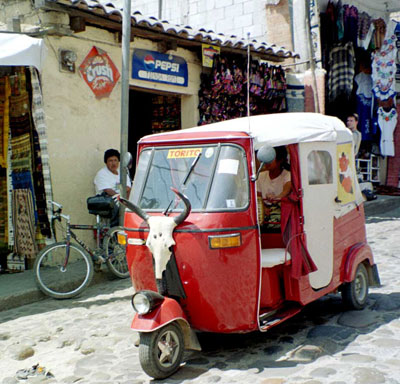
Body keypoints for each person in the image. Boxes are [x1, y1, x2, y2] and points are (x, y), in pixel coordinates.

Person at [256, 146, 291, 231]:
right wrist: (264, 209)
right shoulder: (260, 176)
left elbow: (287, 188)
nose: (266, 162)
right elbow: (258, 197)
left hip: (280, 212)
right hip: (265, 214)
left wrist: (278, 197)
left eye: (270, 159)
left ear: (280, 160)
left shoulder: (287, 175)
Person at [94, 149, 132, 226]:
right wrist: (121, 198)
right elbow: (108, 191)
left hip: (123, 200)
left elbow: (128, 188)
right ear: (106, 162)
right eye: (110, 161)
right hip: (108, 202)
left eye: (115, 160)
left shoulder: (122, 172)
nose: (114, 163)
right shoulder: (102, 174)